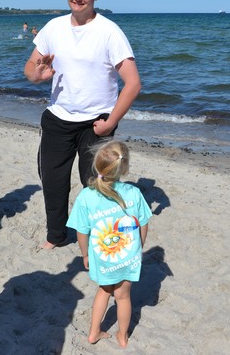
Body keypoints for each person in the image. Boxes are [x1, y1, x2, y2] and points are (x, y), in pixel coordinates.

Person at [24, 0, 141, 249]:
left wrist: (110, 122)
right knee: (52, 182)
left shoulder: (109, 32)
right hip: (58, 118)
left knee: (97, 186)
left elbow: (133, 83)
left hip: (96, 124)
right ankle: (55, 236)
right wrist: (36, 75)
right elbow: (30, 66)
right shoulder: (54, 27)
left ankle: (97, 240)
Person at [66, 141, 151, 348]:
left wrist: (85, 254)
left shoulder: (87, 195)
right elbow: (144, 223)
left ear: (96, 165)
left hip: (103, 256)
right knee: (123, 296)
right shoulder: (133, 192)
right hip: (128, 255)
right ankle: (122, 336)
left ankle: (94, 332)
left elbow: (81, 231)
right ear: (124, 168)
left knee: (104, 291)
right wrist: (138, 247)